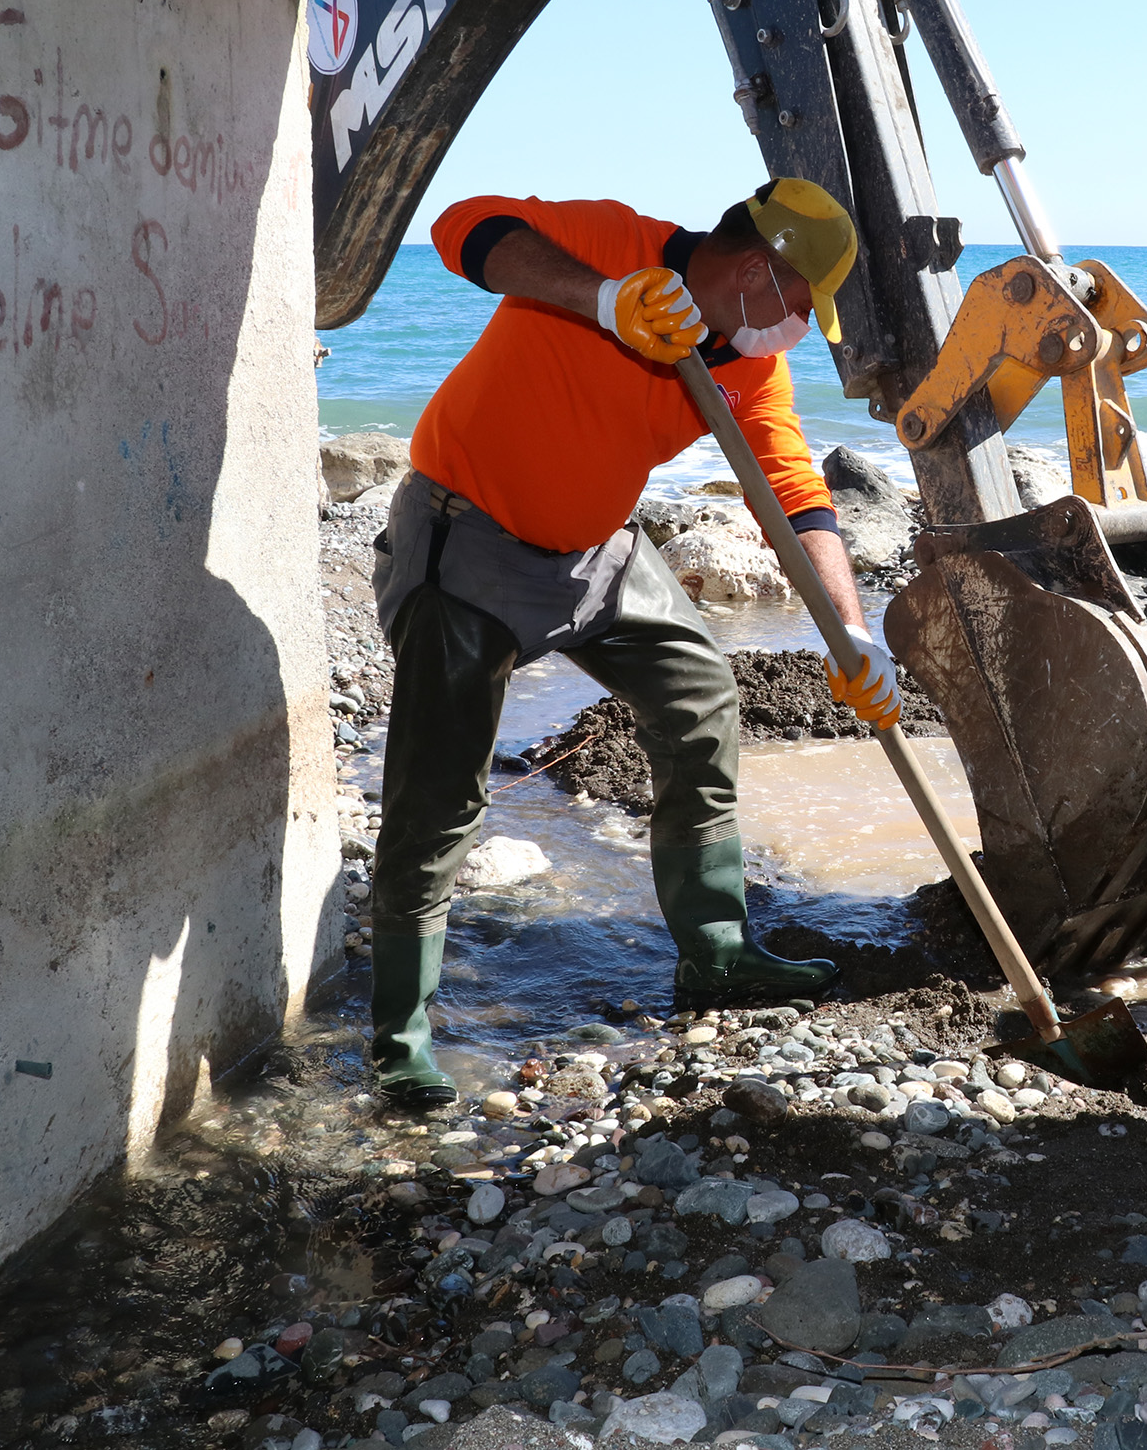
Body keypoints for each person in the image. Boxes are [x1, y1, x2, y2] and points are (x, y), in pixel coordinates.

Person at [364, 177, 902, 1110]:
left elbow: (795, 494)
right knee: (438, 798)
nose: (801, 331)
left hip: (599, 552)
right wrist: (605, 299)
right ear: (749, 269)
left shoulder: (746, 363)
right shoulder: (613, 241)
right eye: (800, 306)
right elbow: (465, 229)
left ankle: (717, 953)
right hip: (469, 540)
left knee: (700, 696)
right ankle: (397, 1040)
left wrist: (850, 629)